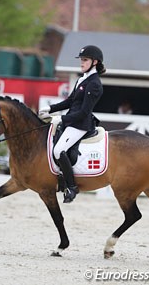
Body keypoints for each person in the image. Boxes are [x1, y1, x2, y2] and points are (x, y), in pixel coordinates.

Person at [39, 45, 105, 203]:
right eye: (81, 60)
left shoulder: (94, 84)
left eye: (85, 60)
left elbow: (83, 112)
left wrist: (61, 119)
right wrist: (50, 108)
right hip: (72, 121)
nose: (81, 63)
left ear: (95, 62)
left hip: (80, 124)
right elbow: (70, 101)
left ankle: (71, 187)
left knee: (58, 150)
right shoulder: (82, 79)